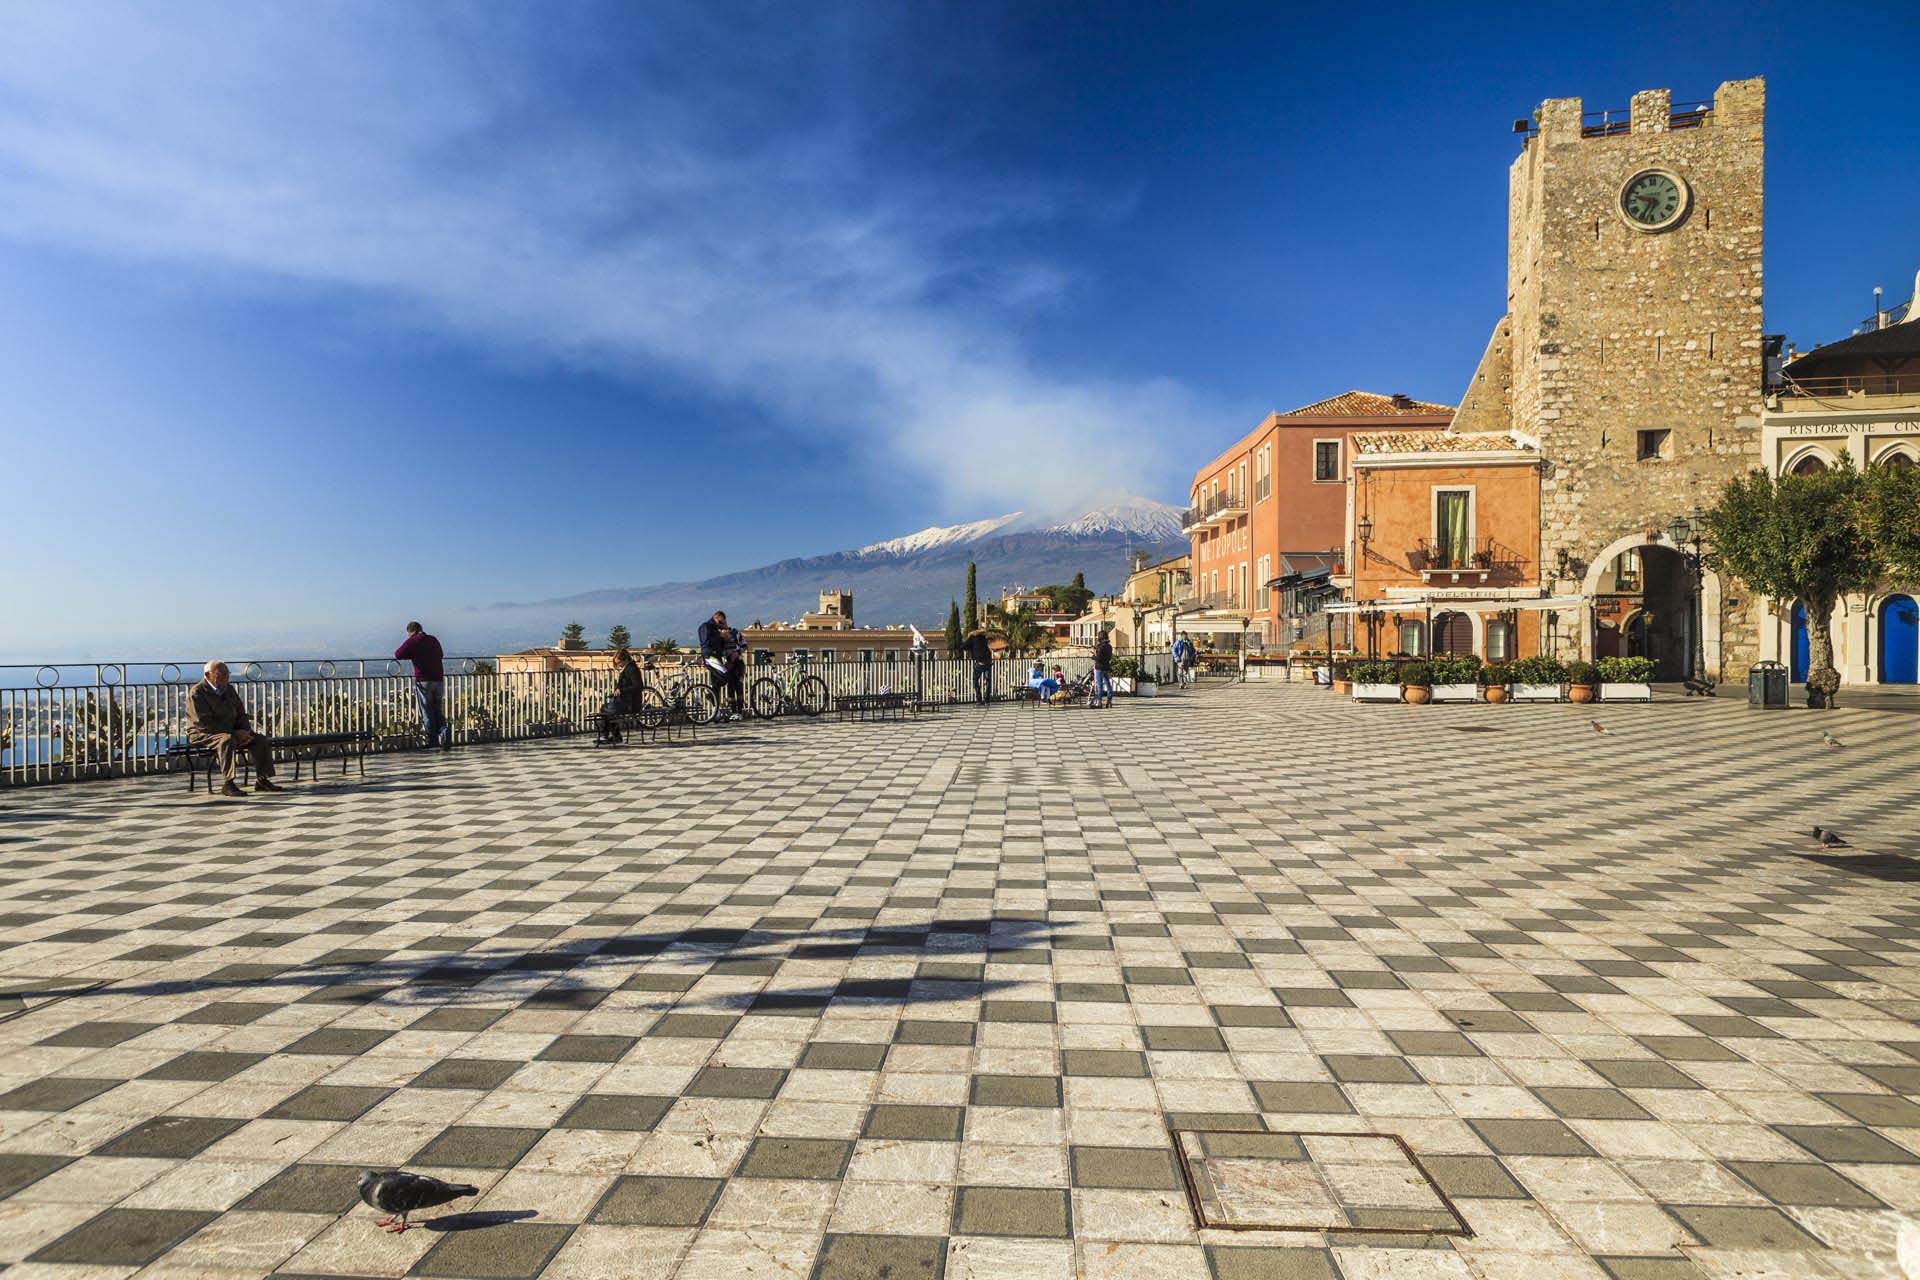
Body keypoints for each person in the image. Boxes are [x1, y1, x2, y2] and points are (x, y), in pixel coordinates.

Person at [186, 660, 278, 797]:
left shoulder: (229, 690)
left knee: (260, 740)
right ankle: (228, 783)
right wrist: (234, 732)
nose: (226, 676)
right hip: (204, 733)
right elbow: (203, 723)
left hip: (232, 731)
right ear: (208, 675)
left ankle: (263, 779)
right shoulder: (197, 692)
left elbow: (241, 713)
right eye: (221, 673)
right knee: (227, 740)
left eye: (227, 673)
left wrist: (245, 730)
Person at [395, 622, 449, 750]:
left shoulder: (413, 641)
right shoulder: (433, 639)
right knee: (437, 710)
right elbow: (441, 654)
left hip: (424, 680)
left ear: (411, 632)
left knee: (427, 712)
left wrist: (412, 654)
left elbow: (398, 654)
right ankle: (444, 730)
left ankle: (433, 743)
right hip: (439, 679)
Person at [697, 610, 741, 721]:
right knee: (725, 676)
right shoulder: (705, 626)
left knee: (716, 685)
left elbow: (721, 644)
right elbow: (706, 642)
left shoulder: (717, 629)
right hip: (710, 656)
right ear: (716, 618)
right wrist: (720, 635)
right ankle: (710, 693)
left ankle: (716, 713)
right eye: (721, 622)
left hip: (717, 657)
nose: (722, 624)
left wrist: (725, 637)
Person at [963, 626, 994, 704]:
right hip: (988, 661)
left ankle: (979, 698)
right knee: (988, 681)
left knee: (975, 680)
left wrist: (970, 648)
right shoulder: (985, 638)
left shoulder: (972, 638)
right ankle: (987, 699)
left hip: (979, 662)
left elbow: (964, 646)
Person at [1092, 628, 1115, 708]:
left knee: (1100, 685)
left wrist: (1093, 656)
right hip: (1106, 667)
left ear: (1100, 637)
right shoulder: (1109, 646)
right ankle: (1109, 700)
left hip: (1099, 668)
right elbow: (1108, 657)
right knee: (1108, 684)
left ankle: (1099, 702)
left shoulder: (1100, 646)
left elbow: (1099, 658)